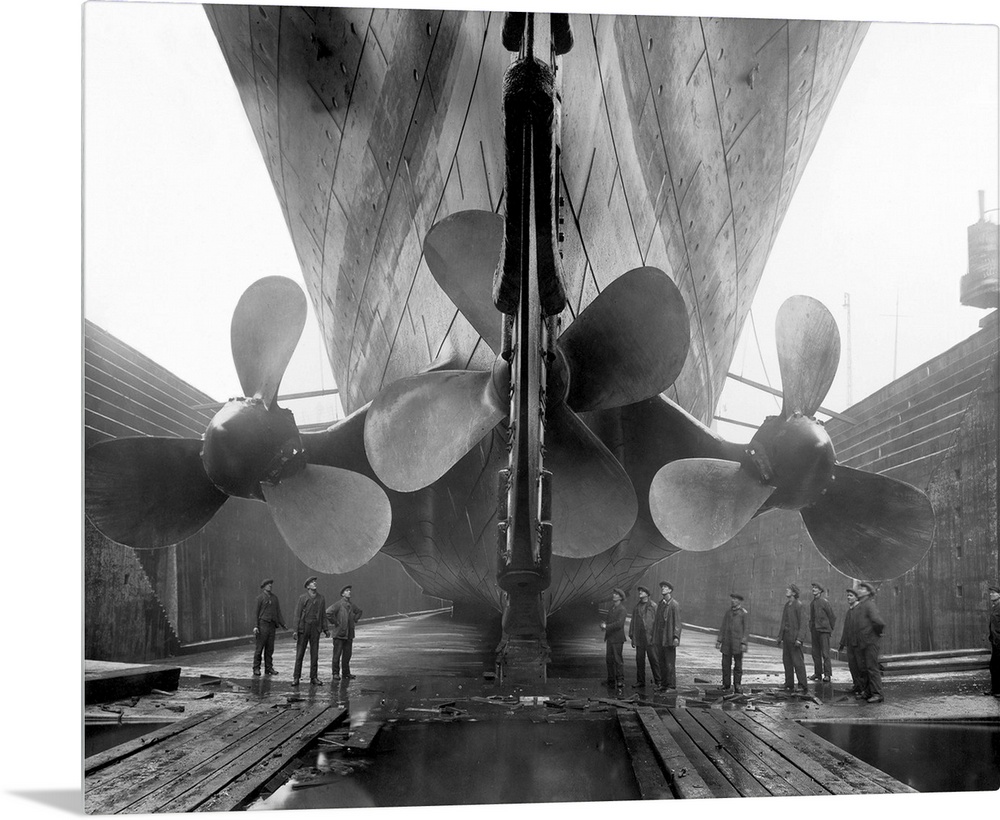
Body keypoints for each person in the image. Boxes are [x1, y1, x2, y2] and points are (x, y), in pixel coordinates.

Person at [292, 576, 329, 686]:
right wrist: (295, 630)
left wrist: (325, 629)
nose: (314, 583)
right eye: (312, 582)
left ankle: (314, 677)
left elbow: (323, 615)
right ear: (308, 586)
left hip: (315, 629)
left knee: (315, 654)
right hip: (304, 628)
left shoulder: (321, 598)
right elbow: (297, 615)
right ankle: (296, 677)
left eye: (315, 582)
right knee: (300, 654)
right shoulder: (302, 598)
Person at [854, 581, 886, 703]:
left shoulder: (869, 605)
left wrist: (876, 634)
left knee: (872, 668)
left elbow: (878, 622)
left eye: (863, 589)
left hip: (870, 642)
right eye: (860, 588)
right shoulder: (861, 605)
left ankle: (878, 694)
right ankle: (867, 692)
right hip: (863, 642)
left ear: (868, 592)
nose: (860, 590)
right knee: (865, 669)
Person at [326, 584, 363, 682]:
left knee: (347, 655)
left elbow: (359, 611)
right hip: (339, 634)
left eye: (349, 590)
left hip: (349, 634)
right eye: (347, 591)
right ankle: (335, 673)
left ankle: (346, 673)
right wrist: (335, 622)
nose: (349, 592)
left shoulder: (351, 605)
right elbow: (328, 612)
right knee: (337, 655)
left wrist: (355, 619)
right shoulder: (338, 604)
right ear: (342, 594)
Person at [777, 583, 809, 693]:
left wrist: (800, 639)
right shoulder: (787, 605)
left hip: (795, 639)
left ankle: (802, 685)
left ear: (794, 593)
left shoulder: (799, 605)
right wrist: (780, 637)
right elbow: (783, 622)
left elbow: (803, 623)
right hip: (787, 638)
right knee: (787, 661)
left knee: (798, 662)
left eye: (789, 589)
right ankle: (789, 684)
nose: (786, 590)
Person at [252, 578, 286, 677]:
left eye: (271, 584)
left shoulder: (275, 598)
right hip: (262, 625)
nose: (270, 586)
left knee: (270, 648)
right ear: (264, 586)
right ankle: (256, 668)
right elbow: (256, 614)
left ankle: (269, 668)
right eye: (268, 584)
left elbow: (278, 612)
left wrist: (283, 624)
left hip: (271, 626)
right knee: (259, 648)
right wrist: (255, 626)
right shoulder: (260, 598)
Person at [716, 593, 749, 693]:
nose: (732, 601)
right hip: (727, 643)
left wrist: (744, 643)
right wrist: (719, 640)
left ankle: (737, 684)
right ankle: (726, 685)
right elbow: (723, 627)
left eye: (735, 599)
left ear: (739, 601)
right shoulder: (728, 613)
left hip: (737, 644)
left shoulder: (743, 613)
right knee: (725, 665)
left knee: (738, 666)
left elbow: (746, 630)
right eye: (732, 599)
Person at [653, 581, 682, 691]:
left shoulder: (674, 605)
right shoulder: (661, 604)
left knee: (669, 664)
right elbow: (657, 621)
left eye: (665, 587)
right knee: (661, 662)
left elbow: (678, 623)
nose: (663, 589)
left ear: (670, 590)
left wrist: (676, 637)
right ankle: (664, 685)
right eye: (662, 587)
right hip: (660, 639)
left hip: (669, 638)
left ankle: (671, 686)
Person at [628, 585, 660, 689]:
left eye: (642, 591)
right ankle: (640, 681)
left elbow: (658, 623)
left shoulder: (653, 606)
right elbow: (633, 622)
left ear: (647, 594)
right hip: (640, 638)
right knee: (639, 660)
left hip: (650, 638)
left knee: (654, 660)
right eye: (639, 591)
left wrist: (655, 637)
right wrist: (632, 636)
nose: (640, 593)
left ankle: (658, 682)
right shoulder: (637, 607)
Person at [838, 588, 865, 698]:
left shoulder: (860, 610)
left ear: (856, 597)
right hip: (850, 644)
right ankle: (856, 686)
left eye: (851, 596)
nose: (848, 598)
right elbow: (846, 628)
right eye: (848, 596)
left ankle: (863, 689)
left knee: (861, 667)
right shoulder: (849, 611)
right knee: (852, 666)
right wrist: (842, 643)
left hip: (859, 644)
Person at [808, 582, 836, 682]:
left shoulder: (824, 602)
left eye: (816, 588)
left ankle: (827, 675)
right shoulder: (812, 603)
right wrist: (811, 628)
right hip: (815, 631)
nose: (813, 590)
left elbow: (832, 616)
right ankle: (818, 673)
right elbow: (811, 617)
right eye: (813, 588)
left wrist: (829, 629)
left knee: (825, 653)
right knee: (815, 653)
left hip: (824, 631)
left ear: (820, 591)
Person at [603, 588, 627, 695]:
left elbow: (619, 624)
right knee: (609, 659)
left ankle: (620, 680)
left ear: (621, 598)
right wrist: (605, 625)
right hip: (611, 638)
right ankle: (611, 680)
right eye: (614, 594)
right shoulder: (612, 608)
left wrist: (606, 626)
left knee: (617, 660)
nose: (614, 595)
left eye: (616, 594)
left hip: (617, 638)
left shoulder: (622, 609)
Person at [987, 583, 1000, 698]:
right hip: (995, 642)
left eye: (994, 593)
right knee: (994, 666)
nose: (991, 594)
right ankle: (995, 689)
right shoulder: (994, 606)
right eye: (991, 592)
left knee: (996, 666)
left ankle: (996, 690)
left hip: (999, 642)